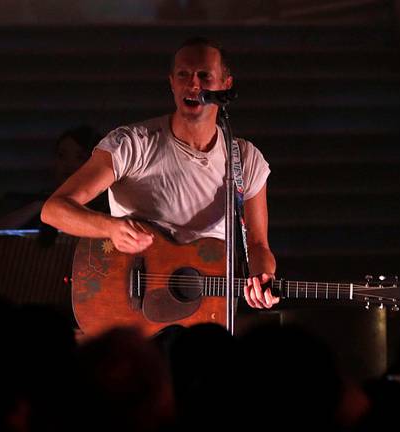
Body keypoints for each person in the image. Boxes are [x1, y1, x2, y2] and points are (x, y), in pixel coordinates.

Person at [41, 36, 279, 310]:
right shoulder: (132, 143)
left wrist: (262, 278)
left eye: (204, 75)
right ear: (171, 83)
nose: (193, 84)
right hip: (135, 307)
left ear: (226, 85)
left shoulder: (246, 159)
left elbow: (258, 244)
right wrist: (111, 228)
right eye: (183, 75)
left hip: (207, 309)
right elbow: (54, 209)